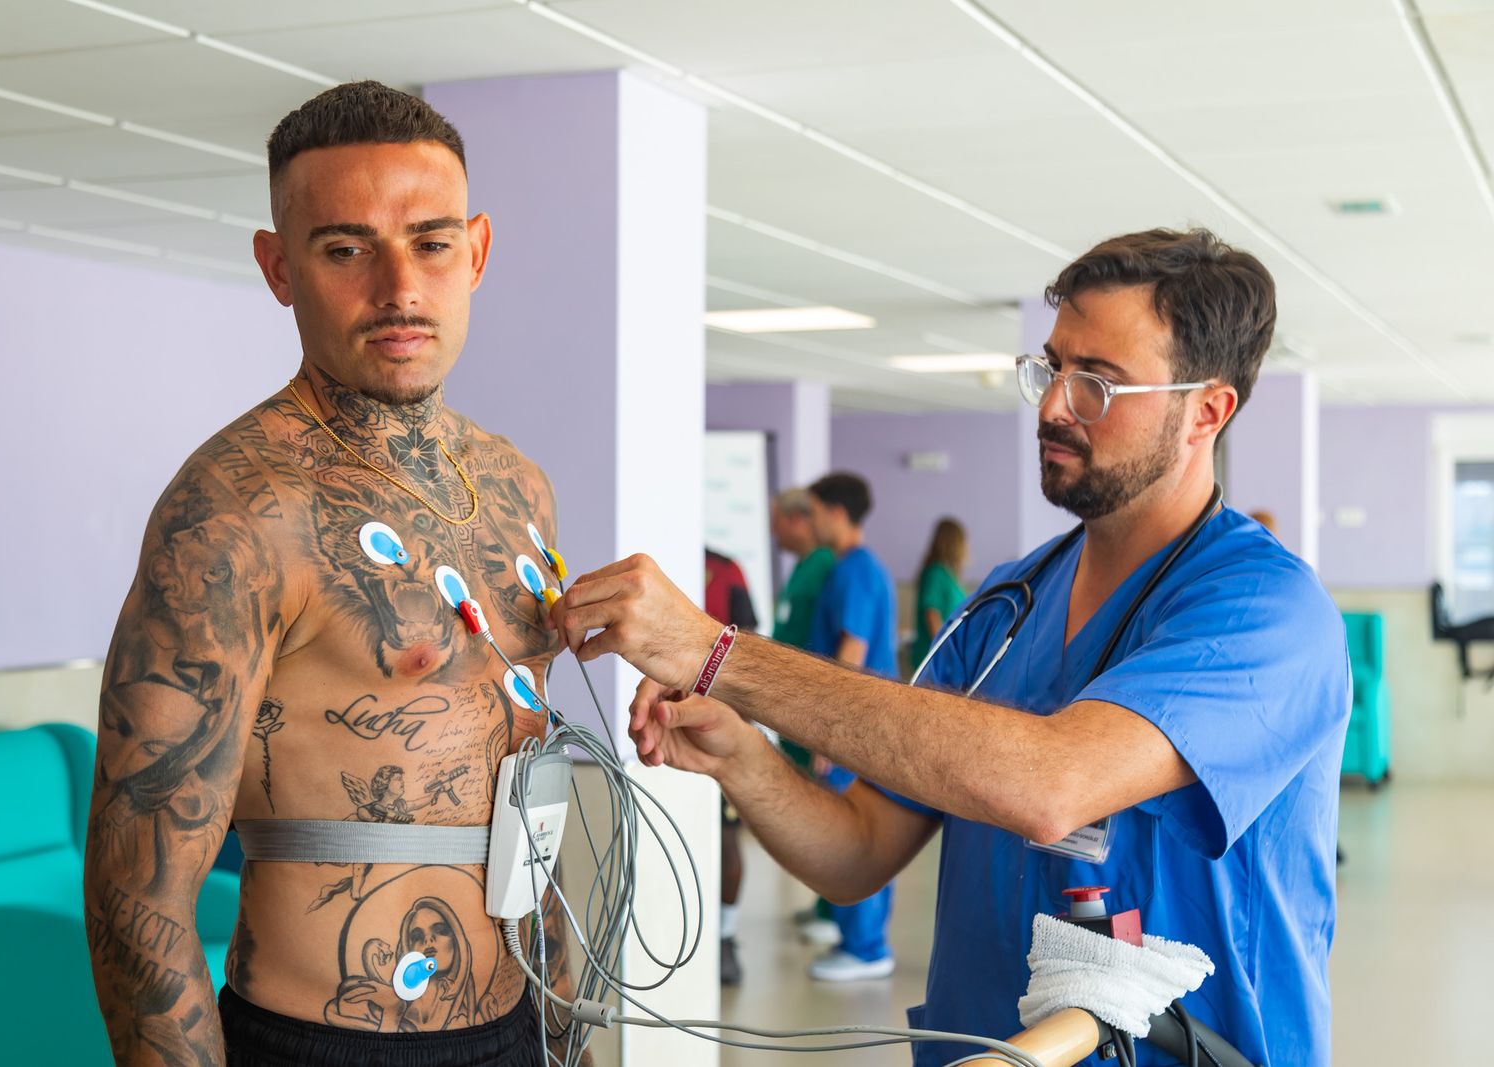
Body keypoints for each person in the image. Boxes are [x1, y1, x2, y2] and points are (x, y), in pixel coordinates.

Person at [550, 228, 1349, 1066]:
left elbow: (1052, 783)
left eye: (1098, 384)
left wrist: (720, 654)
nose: (1052, 407)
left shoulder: (1267, 613)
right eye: (1051, 369)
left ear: (1207, 411)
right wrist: (745, 759)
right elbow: (858, 850)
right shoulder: (1008, 603)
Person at [84, 81, 584, 1067]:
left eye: (432, 243)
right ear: (279, 266)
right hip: (319, 1039)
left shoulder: (518, 486)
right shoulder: (235, 512)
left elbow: (528, 798)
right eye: (346, 248)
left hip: (514, 1027)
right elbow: (136, 893)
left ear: (476, 251)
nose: (399, 287)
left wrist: (566, 1036)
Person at [800, 471, 900, 982]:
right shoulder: (856, 568)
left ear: (836, 513)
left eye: (813, 511)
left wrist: (829, 731)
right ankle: (852, 933)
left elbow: (853, 652)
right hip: (865, 722)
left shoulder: (855, 572)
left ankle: (866, 947)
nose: (808, 522)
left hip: (858, 727)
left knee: (858, 833)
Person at [769, 487, 839, 945]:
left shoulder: (828, 569)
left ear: (797, 520)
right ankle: (822, 903)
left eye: (777, 521)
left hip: (811, 710)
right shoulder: (804, 569)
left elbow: (834, 650)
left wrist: (824, 730)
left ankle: (837, 912)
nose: (773, 531)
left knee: (828, 813)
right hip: (791, 709)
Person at [703, 547, 760, 985]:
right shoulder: (662, 554)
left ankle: (724, 938)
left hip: (720, 725)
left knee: (726, 839)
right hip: (662, 727)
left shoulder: (726, 570)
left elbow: (751, 644)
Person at [911, 517, 969, 671]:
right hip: (935, 661)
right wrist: (947, 653)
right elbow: (931, 614)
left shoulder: (947, 575)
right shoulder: (936, 573)